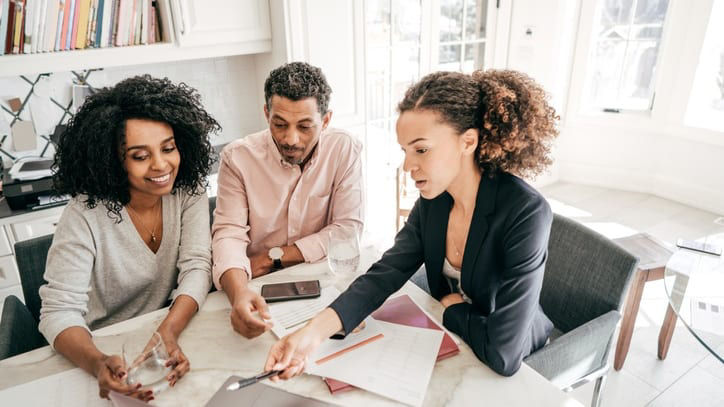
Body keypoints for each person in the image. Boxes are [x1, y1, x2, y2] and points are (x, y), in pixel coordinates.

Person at [264, 69, 560, 378]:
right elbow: (385, 273)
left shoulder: (525, 212)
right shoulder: (435, 202)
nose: (408, 166)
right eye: (405, 151)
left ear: (468, 142)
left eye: (421, 149)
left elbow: (504, 354)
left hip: (520, 365)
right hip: (461, 344)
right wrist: (310, 335)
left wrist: (453, 308)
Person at [38, 75, 218, 401]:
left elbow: (197, 266)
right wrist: (98, 363)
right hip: (98, 346)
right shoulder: (84, 214)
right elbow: (58, 313)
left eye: (168, 148)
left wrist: (168, 332)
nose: (161, 165)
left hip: (166, 330)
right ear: (113, 161)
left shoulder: (188, 190)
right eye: (140, 156)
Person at [212, 62, 364, 338]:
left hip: (320, 279)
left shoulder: (344, 148)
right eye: (279, 124)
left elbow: (347, 231)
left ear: (326, 121)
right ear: (266, 113)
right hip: (256, 285)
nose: (290, 139)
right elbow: (228, 236)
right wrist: (239, 296)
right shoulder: (237, 158)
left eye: (305, 127)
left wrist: (275, 257)